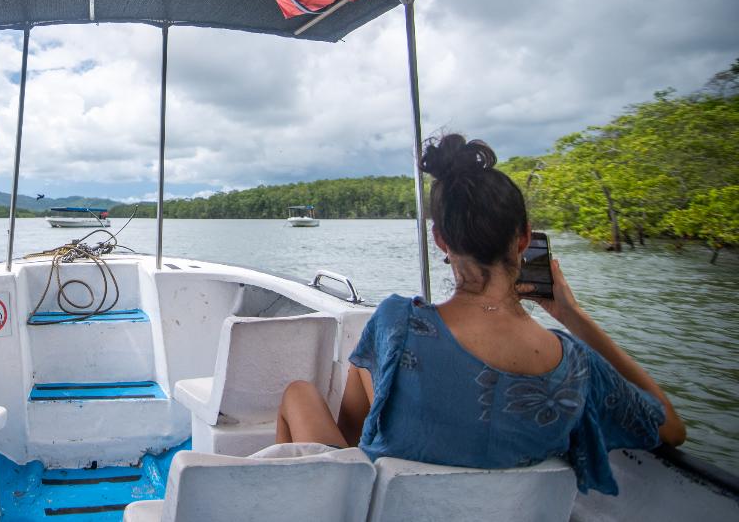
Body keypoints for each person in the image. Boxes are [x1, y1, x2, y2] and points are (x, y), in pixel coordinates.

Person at [275, 133, 686, 495]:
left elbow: (351, 436)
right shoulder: (578, 369)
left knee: (299, 393)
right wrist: (573, 315)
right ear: (524, 237)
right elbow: (671, 428)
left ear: (440, 239)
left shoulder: (395, 324)